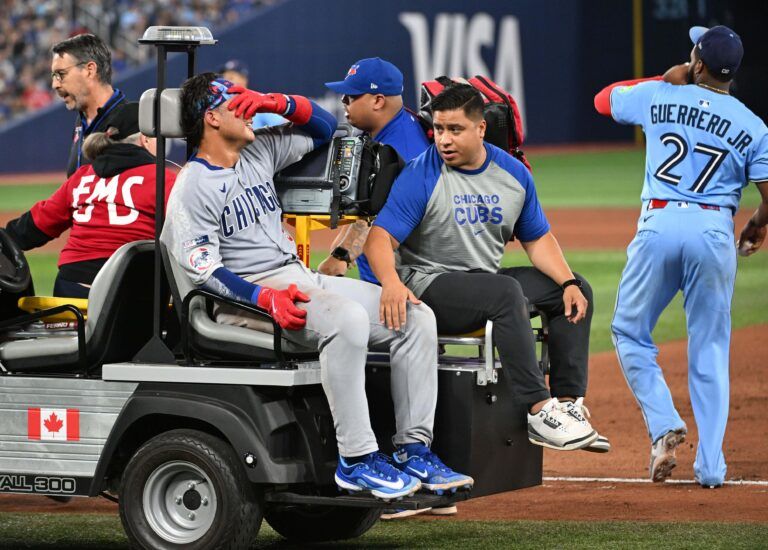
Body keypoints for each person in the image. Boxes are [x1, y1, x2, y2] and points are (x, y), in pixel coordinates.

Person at [161, 73, 473, 499]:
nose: (249, 107)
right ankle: (357, 459)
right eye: (238, 101)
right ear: (212, 117)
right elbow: (203, 269)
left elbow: (324, 127)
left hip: (296, 278)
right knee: (345, 318)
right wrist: (263, 298)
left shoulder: (257, 153)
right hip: (245, 295)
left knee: (413, 316)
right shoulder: (192, 185)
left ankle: (412, 449)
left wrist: (277, 99)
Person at [365, 83, 609, 456]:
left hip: (484, 284)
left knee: (576, 291)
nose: (444, 139)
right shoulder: (422, 174)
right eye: (439, 129)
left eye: (455, 129)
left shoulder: (512, 174)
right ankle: (539, 410)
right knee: (504, 293)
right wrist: (392, 282)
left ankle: (569, 404)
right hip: (429, 285)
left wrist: (568, 281)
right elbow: (379, 238)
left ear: (480, 129)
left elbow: (538, 239)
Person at [595, 26, 768, 488]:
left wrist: (665, 78)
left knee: (629, 331)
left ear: (697, 64)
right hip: (714, 230)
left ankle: (663, 422)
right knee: (710, 349)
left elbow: (603, 99)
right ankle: (711, 467)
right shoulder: (753, 125)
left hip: (659, 225)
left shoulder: (658, 94)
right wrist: (756, 224)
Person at [5, 103, 174, 299]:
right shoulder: (163, 178)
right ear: (145, 140)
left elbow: (35, 226)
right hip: (127, 292)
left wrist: (6, 237)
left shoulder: (82, 176)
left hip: (70, 289)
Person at [318, 57, 429, 282]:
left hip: (400, 287)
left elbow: (378, 216)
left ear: (378, 101)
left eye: (352, 96)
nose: (343, 100)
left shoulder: (403, 150)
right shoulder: (388, 130)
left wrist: (340, 257)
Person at [51, 33, 131, 177]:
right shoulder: (80, 121)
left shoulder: (131, 121)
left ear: (90, 70)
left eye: (61, 74)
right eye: (54, 76)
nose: (55, 84)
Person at [218, 59, 285, 129]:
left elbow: (284, 124)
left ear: (243, 80)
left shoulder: (257, 101)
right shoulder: (221, 103)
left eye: (230, 77)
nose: (225, 81)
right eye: (224, 77)